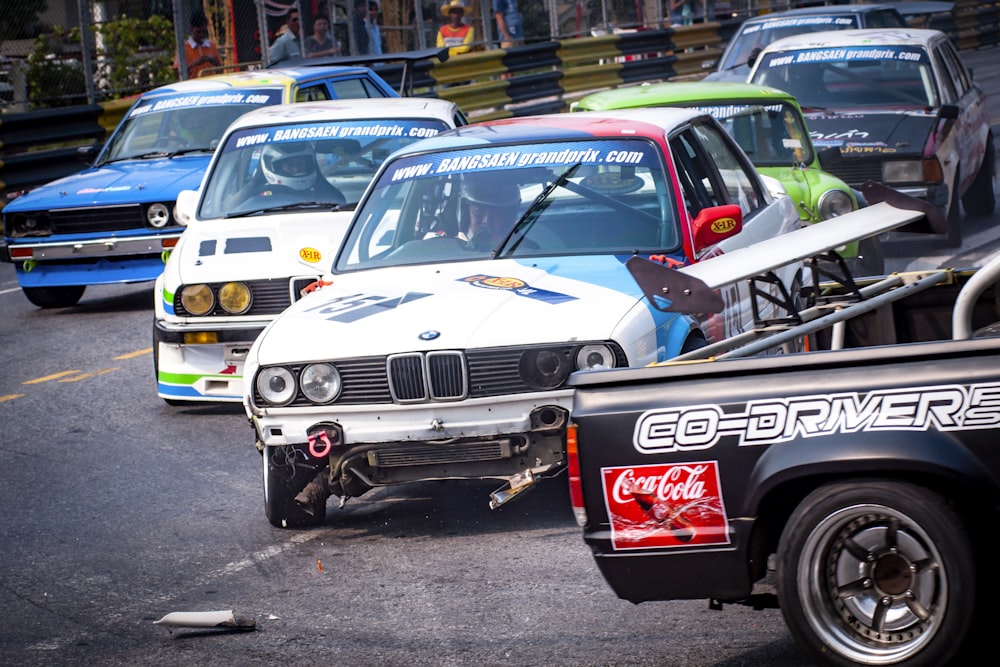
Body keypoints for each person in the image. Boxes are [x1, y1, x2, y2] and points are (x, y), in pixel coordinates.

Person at [459, 173, 521, 249]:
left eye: (496, 213)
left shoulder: (524, 252)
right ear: (466, 213)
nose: (486, 221)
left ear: (508, 217)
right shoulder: (448, 248)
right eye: (479, 211)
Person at [173, 11, 221, 79]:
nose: (201, 35)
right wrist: (195, 63)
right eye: (198, 32)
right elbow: (177, 74)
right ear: (191, 29)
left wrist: (214, 61)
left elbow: (221, 69)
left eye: (204, 32)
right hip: (192, 83)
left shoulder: (211, 45)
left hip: (210, 82)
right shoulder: (184, 48)